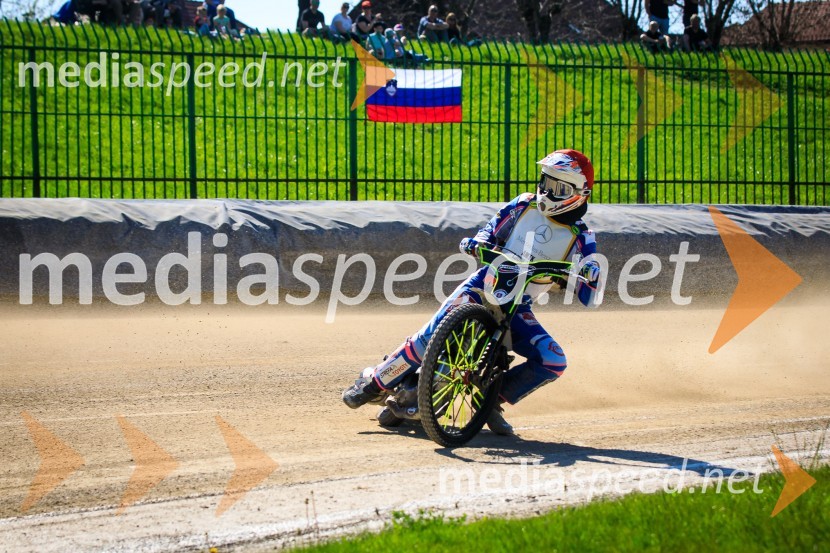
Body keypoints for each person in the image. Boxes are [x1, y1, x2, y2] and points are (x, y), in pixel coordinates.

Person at [342, 149, 602, 436]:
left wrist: (590, 274)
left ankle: (489, 400)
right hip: (481, 286)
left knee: (553, 361)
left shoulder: (582, 237)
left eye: (558, 188)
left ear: (580, 193)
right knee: (430, 335)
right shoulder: (523, 204)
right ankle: (375, 383)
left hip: (517, 307)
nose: (547, 192)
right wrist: (476, 243)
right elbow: (488, 232)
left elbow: (589, 297)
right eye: (545, 182)